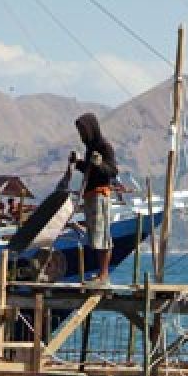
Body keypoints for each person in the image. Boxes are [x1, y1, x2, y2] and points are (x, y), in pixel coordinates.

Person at [72, 112, 119, 285]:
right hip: (90, 196)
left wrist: (100, 164)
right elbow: (89, 171)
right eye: (80, 132)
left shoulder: (104, 147)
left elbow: (112, 171)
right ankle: (100, 272)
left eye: (83, 131)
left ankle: (104, 274)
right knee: (94, 236)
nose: (82, 135)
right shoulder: (90, 149)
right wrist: (78, 163)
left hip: (100, 196)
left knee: (102, 235)